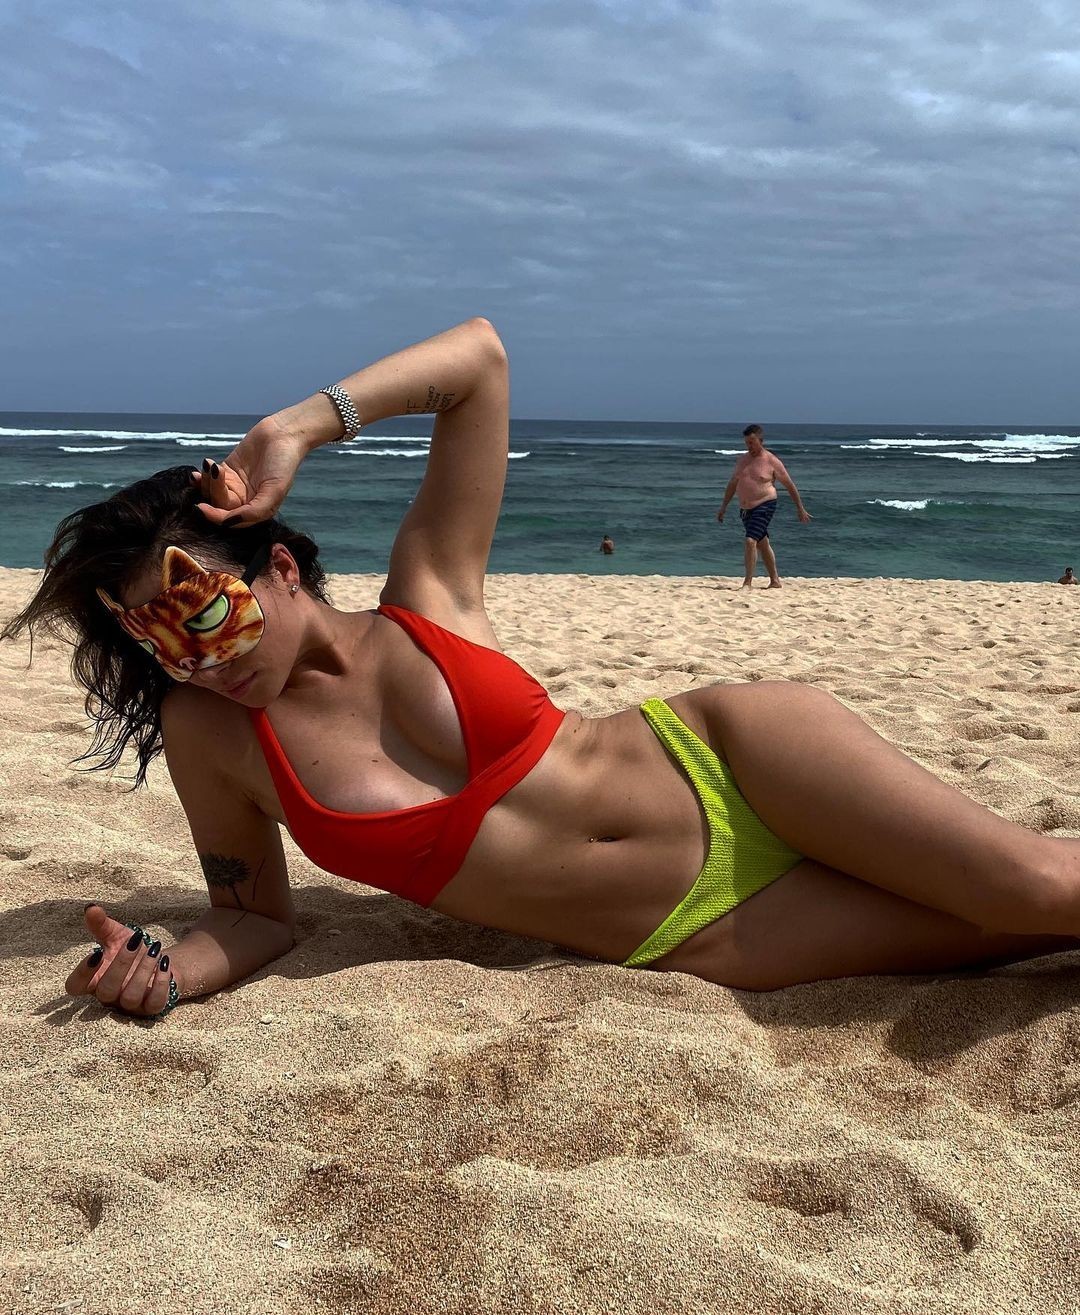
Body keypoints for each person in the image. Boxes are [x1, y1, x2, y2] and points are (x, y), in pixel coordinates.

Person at [6, 319, 1077, 1019]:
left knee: (1035, 885)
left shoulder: (428, 591)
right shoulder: (213, 735)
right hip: (700, 934)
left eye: (208, 614)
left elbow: (478, 362)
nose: (200, 663)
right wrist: (166, 973)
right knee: (1011, 936)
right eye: (162, 645)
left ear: (278, 568)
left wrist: (294, 428)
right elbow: (252, 916)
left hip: (733, 759)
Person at [716, 424, 811, 589]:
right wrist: (723, 506)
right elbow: (733, 483)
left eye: (752, 443)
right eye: (747, 443)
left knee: (750, 541)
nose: (749, 446)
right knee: (762, 543)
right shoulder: (742, 460)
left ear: (761, 441)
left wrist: (800, 508)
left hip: (765, 504)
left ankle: (747, 583)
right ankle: (775, 581)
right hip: (745, 509)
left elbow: (789, 485)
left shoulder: (771, 461)